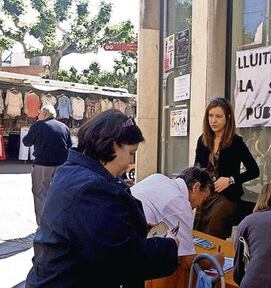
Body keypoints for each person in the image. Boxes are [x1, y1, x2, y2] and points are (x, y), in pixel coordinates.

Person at [26, 109, 179, 288]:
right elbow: (122, 259)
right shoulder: (92, 190)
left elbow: (95, 231)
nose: (130, 162)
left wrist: (134, 227)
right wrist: (169, 246)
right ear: (114, 146)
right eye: (131, 152)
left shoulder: (73, 170)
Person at [130, 167, 224, 281]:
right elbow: (187, 261)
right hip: (133, 256)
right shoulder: (180, 203)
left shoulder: (158, 178)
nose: (200, 205)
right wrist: (213, 261)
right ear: (196, 187)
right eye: (203, 199)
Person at [194, 97, 259, 239]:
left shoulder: (236, 142)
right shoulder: (203, 139)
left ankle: (214, 261)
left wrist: (230, 180)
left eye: (218, 116)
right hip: (204, 196)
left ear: (228, 118)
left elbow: (254, 171)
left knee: (213, 238)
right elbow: (196, 168)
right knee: (198, 238)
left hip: (227, 198)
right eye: (210, 116)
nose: (213, 120)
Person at [22, 104, 72, 226]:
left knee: (40, 193)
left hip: (43, 165)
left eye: (40, 113)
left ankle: (43, 225)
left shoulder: (38, 125)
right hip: (61, 165)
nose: (38, 115)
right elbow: (69, 146)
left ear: (44, 114)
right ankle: (59, 222)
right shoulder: (64, 127)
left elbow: (26, 142)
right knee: (59, 193)